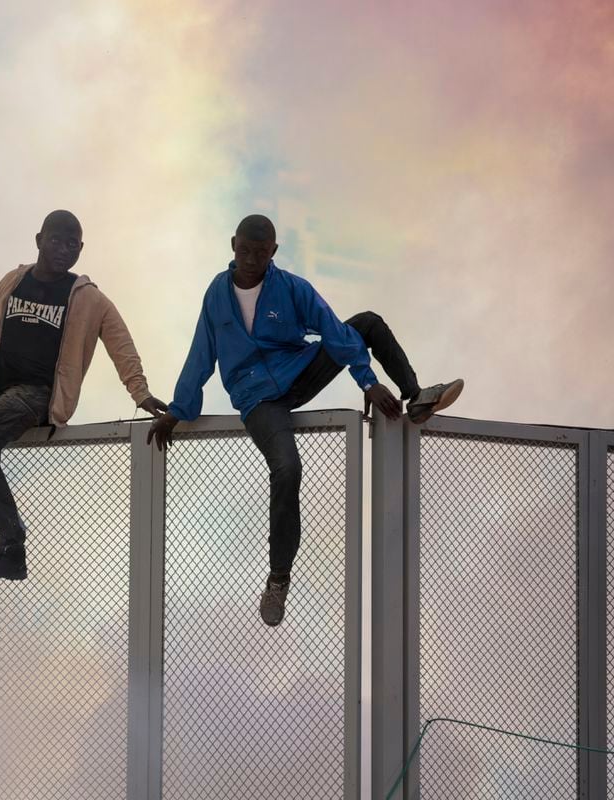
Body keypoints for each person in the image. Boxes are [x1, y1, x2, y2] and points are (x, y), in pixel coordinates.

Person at [148, 214, 463, 626]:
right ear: (232, 245)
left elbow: (334, 331)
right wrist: (177, 410)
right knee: (287, 467)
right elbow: (200, 356)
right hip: (256, 397)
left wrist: (366, 382)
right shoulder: (216, 296)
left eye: (261, 253)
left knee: (364, 322)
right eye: (244, 250)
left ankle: (417, 396)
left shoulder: (292, 288)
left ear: (273, 252)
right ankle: (279, 578)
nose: (251, 259)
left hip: (298, 373)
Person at [0, 210, 168, 581]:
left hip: (39, 395)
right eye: (56, 240)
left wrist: (140, 393)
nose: (63, 249)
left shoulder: (89, 298)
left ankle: (12, 548)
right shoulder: (12, 283)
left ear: (81, 249)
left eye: (72, 244)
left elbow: (121, 345)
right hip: (0, 391)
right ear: (39, 239)